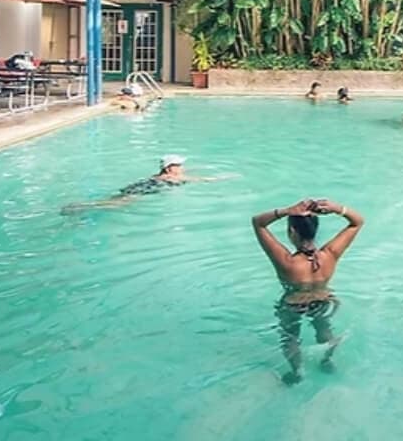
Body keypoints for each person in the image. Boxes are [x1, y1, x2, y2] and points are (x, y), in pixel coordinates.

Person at [252, 198, 364, 384]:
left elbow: (258, 222)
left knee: (290, 338)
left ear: (292, 231)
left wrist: (287, 210)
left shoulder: (286, 262)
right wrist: (337, 208)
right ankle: (326, 360)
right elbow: (357, 222)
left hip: (292, 303)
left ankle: (297, 372)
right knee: (324, 330)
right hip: (322, 300)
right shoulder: (330, 254)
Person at [60, 155, 234, 214]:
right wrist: (221, 178)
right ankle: (83, 207)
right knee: (116, 204)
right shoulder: (172, 178)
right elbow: (200, 180)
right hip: (145, 190)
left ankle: (85, 206)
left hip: (142, 185)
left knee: (116, 200)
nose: (182, 168)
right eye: (178, 165)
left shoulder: (163, 175)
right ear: (168, 168)